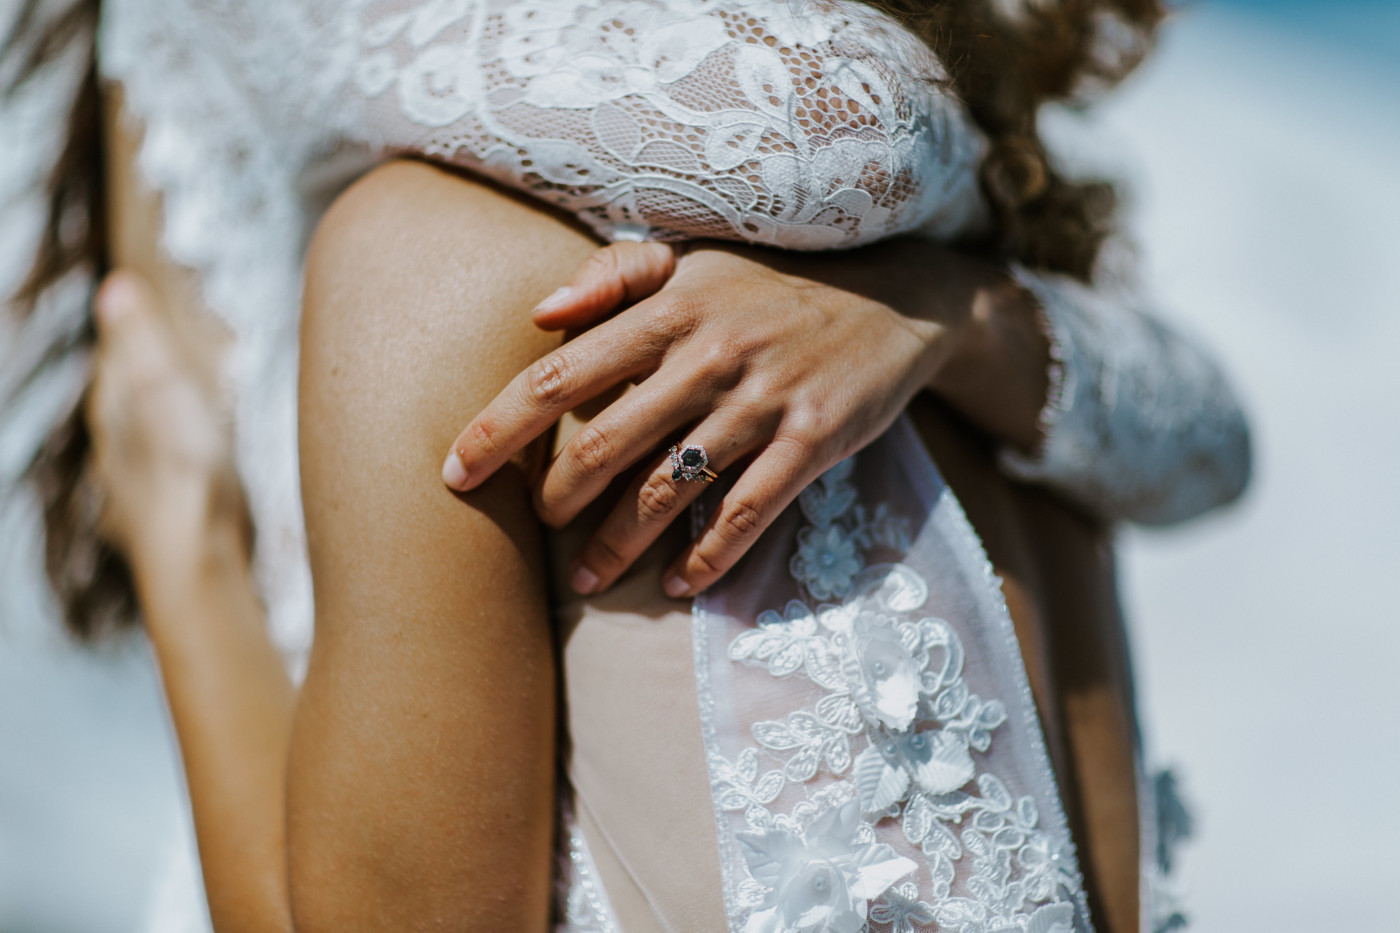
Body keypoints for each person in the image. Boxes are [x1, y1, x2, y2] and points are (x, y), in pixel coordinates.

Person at [3, 1, 1247, 931]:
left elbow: (1208, 439)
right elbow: (845, 123)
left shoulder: (952, 333)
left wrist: (939, 306)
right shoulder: (446, 272)